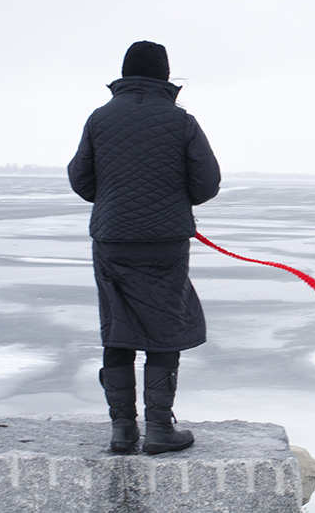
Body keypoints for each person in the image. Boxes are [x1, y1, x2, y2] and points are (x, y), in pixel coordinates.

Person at [68, 41, 220, 454]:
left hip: (112, 241)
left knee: (117, 328)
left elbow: (81, 182)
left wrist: (118, 195)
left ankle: (121, 431)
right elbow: (207, 184)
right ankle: (158, 430)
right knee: (164, 329)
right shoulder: (181, 121)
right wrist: (168, 197)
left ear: (124, 74)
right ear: (165, 78)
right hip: (164, 244)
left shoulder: (100, 119)